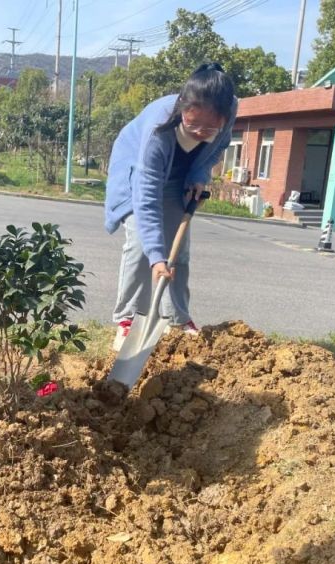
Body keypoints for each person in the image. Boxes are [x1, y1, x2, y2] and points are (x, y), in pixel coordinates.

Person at [103, 63, 237, 351]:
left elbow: (218, 146)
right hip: (137, 171)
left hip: (180, 176)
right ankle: (128, 318)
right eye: (193, 124)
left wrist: (199, 175)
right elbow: (147, 197)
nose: (200, 132)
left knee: (179, 251)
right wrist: (156, 257)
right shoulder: (158, 127)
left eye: (209, 128)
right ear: (182, 108)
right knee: (141, 246)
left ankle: (177, 318)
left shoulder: (230, 109)